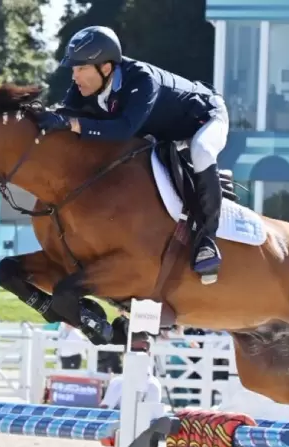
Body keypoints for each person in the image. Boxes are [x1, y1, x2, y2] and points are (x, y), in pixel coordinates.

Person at [36, 26, 228, 283]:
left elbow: (123, 130)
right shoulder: (84, 85)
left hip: (203, 119)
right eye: (74, 68)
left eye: (81, 68)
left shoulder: (142, 80)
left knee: (202, 151)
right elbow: (65, 112)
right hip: (164, 133)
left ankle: (207, 240)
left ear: (105, 68)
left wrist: (73, 124)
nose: (75, 75)